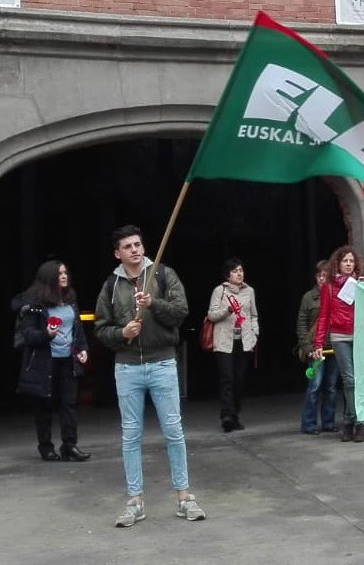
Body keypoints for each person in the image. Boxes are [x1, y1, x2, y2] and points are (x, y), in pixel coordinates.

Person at [94, 225, 204, 526]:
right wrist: (123, 332)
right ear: (117, 253)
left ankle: (184, 497)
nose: (135, 249)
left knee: (173, 431)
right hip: (127, 366)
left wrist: (153, 303)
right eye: (128, 246)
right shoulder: (111, 285)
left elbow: (182, 311)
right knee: (131, 435)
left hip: (162, 363)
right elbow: (101, 329)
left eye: (138, 244)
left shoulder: (162, 274)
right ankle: (135, 501)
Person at [12, 259, 90, 462]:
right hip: (44, 361)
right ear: (48, 279)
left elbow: (78, 328)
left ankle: (70, 446)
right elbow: (28, 335)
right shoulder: (35, 305)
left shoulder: (70, 299)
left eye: (65, 273)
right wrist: (46, 334)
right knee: (44, 405)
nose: (64, 276)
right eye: (59, 274)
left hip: (68, 360)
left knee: (69, 404)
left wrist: (82, 349)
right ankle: (46, 446)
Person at [314, 245, 364, 442]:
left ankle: (352, 421)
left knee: (358, 380)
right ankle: (355, 421)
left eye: (351, 261)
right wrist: (318, 344)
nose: (348, 264)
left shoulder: (360, 284)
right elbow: (323, 316)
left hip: (359, 335)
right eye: (344, 260)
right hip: (339, 336)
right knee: (349, 379)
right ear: (337, 263)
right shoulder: (329, 287)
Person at [207, 257, 259, 433]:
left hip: (244, 341)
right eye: (235, 271)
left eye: (241, 270)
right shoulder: (219, 291)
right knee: (227, 378)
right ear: (227, 275)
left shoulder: (249, 291)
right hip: (224, 341)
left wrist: (255, 333)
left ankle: (235, 414)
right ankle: (227, 416)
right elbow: (212, 315)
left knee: (239, 379)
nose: (239, 273)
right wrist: (226, 310)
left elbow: (253, 315)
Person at [297, 260, 339, 435]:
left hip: (335, 346)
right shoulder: (309, 297)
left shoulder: (338, 295)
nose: (322, 278)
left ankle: (328, 422)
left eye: (325, 275)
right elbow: (301, 325)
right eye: (319, 275)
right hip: (316, 348)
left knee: (331, 386)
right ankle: (309, 424)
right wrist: (308, 348)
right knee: (315, 385)